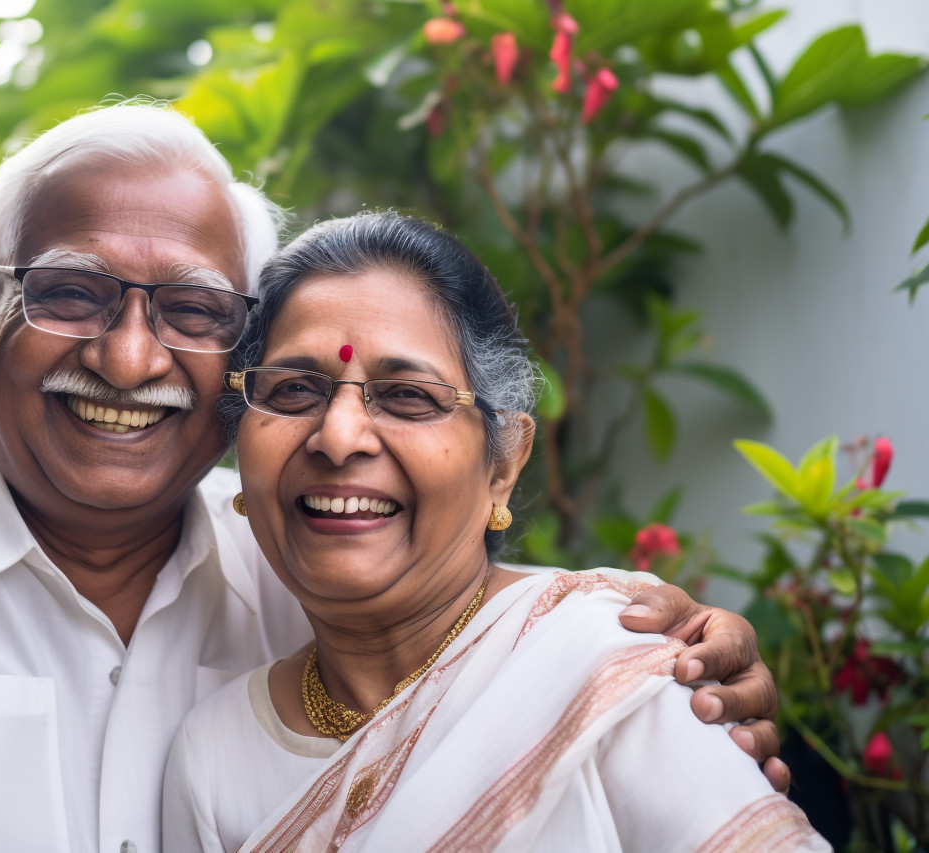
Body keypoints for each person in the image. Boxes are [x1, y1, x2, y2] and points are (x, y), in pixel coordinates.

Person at [0, 102, 781, 853]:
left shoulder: (307, 567)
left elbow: (485, 647)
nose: (129, 359)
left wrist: (665, 657)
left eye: (190, 312)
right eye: (70, 292)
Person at [162, 211, 826, 852]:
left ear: (502, 463)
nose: (337, 438)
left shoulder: (607, 668)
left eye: (406, 397)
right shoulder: (215, 756)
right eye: (294, 389)